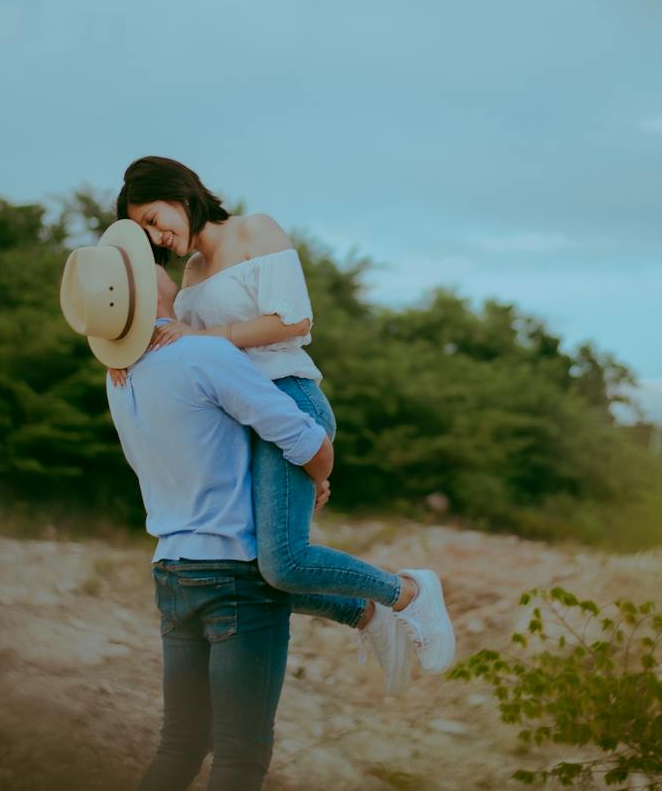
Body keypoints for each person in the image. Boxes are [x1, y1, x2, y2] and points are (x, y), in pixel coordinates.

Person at [59, 221, 450, 788]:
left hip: (171, 573)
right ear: (150, 291)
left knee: (178, 748)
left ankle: (365, 612)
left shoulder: (119, 381)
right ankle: (396, 597)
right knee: (241, 759)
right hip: (234, 578)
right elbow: (304, 438)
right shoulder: (203, 358)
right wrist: (315, 478)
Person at [111, 156, 456, 682]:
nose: (158, 235)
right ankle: (364, 614)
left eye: (157, 218)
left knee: (283, 563)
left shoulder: (255, 229)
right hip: (244, 419)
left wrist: (206, 337)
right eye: (146, 231)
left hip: (289, 398)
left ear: (182, 195)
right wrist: (122, 353)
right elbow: (174, 345)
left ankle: (408, 592)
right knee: (245, 572)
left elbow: (293, 318)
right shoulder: (192, 273)